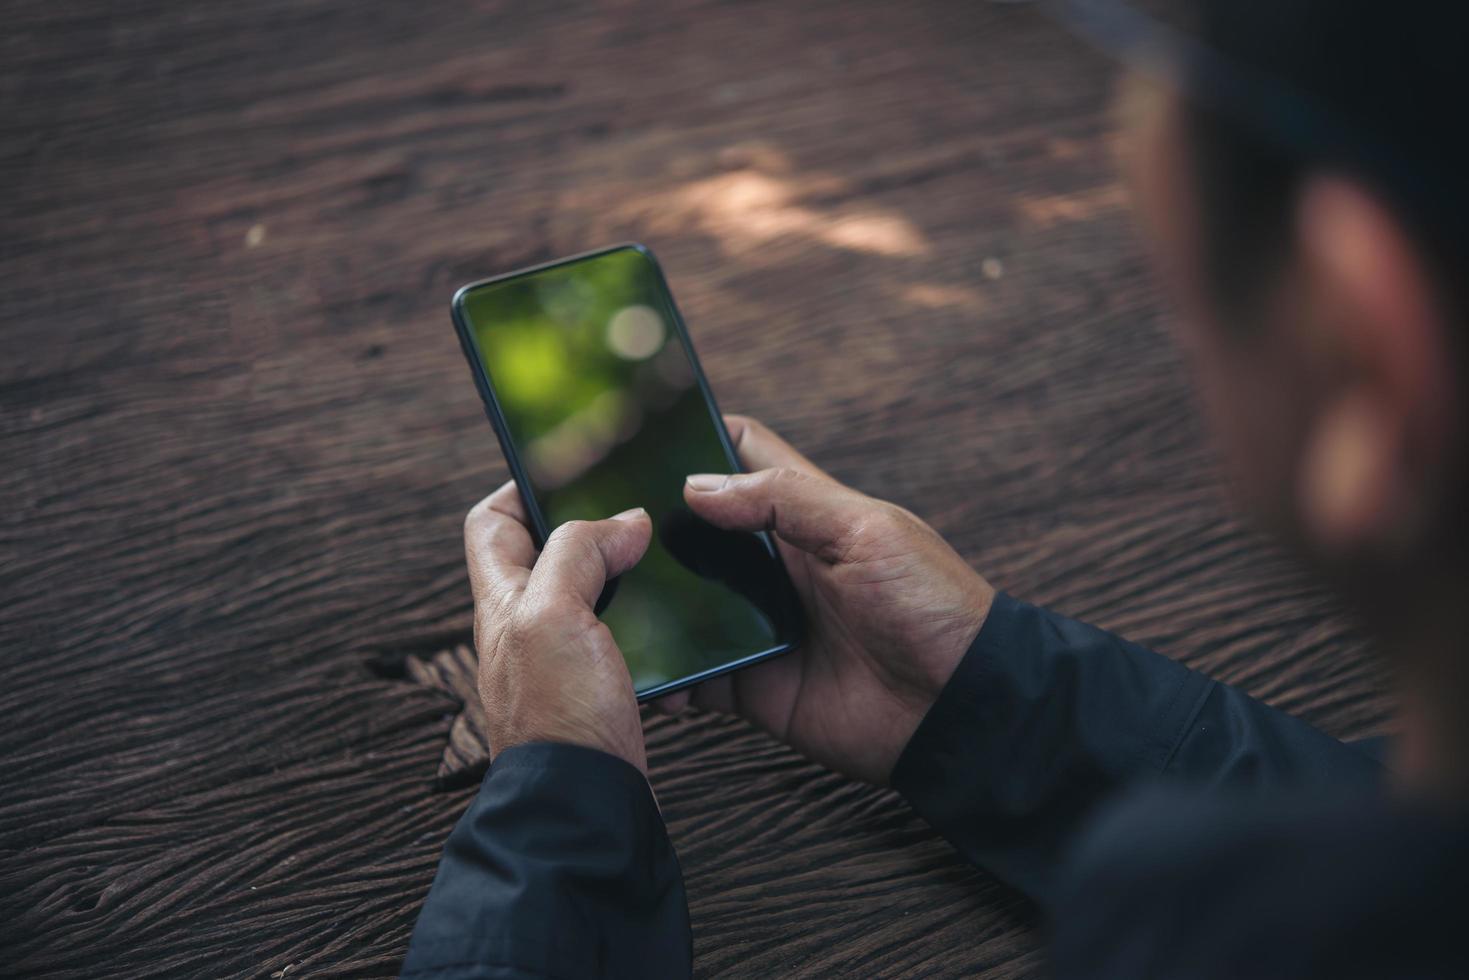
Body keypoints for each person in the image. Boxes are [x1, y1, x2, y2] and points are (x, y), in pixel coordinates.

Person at [402, 1, 1469, 976]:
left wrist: (555, 812)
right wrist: (981, 694)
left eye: (1180, 318)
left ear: (1365, 354)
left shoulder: (1189, 929)